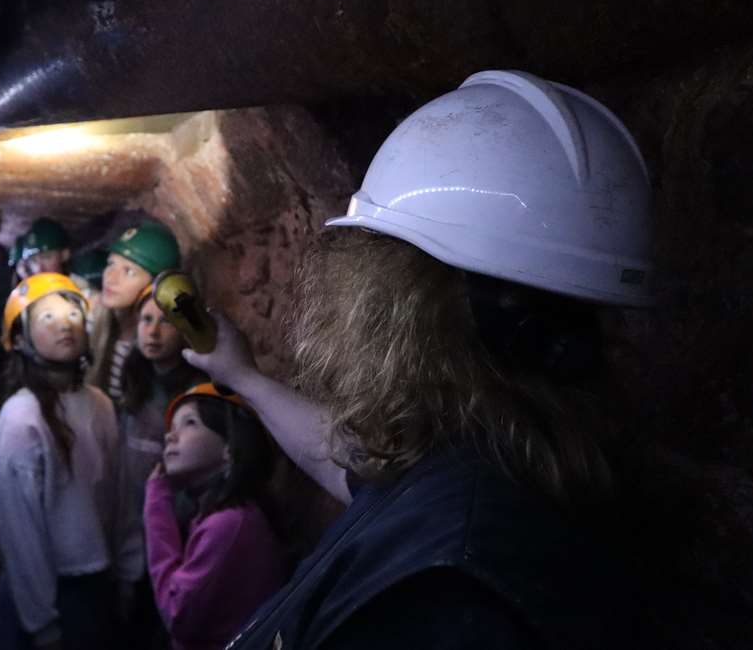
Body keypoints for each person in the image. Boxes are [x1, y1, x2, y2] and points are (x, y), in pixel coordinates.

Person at [183, 70, 653, 649]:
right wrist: (243, 378)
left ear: (404, 300)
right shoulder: (506, 463)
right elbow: (357, 469)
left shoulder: (445, 595)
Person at [0, 273, 129, 650]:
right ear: (19, 340)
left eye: (73, 313)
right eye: (47, 317)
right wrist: (42, 623)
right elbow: (20, 532)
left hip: (97, 583)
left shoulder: (100, 404)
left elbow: (119, 494)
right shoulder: (21, 418)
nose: (65, 322)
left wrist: (128, 569)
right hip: (51, 593)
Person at [145, 384, 289, 650]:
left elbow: (176, 615)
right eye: (171, 427)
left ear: (229, 447)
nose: (170, 437)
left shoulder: (229, 524)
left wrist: (156, 503)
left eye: (189, 423)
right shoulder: (225, 514)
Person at [114, 284, 208, 647]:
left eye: (166, 321)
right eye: (146, 319)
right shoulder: (133, 380)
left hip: (181, 540)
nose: (152, 331)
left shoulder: (201, 392)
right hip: (135, 538)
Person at [88, 221, 181, 402]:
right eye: (111, 264)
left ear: (155, 287)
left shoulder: (159, 346)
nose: (110, 277)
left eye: (129, 272)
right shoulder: (89, 320)